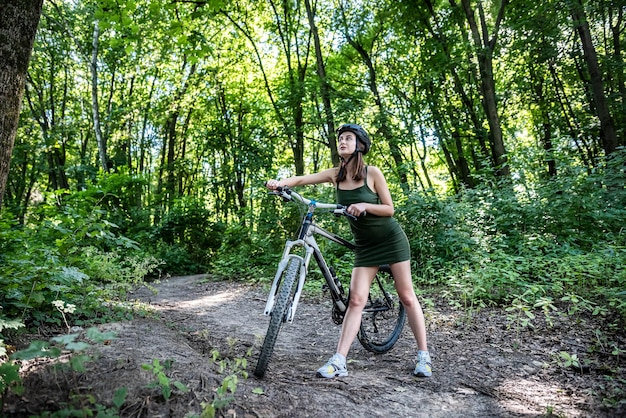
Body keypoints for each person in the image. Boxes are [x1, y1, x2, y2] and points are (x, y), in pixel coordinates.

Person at [265, 123, 432, 378]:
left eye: (348, 138)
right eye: (340, 138)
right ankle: (339, 361)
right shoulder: (336, 175)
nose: (342, 141)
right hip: (365, 246)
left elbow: (389, 209)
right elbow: (301, 179)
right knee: (355, 300)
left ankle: (424, 357)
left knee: (407, 296)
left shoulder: (371, 173)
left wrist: (365, 204)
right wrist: (280, 184)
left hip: (391, 239)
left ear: (360, 145)